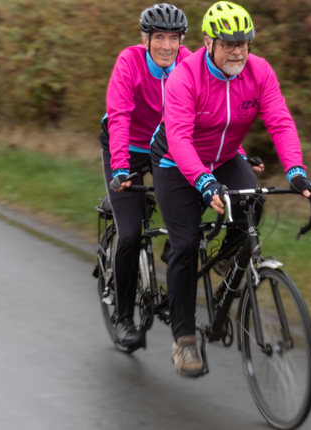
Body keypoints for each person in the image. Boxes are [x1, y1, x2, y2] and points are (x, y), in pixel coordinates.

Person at [150, 1, 311, 377]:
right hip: (176, 161)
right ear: (208, 42)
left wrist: (296, 171)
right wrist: (204, 183)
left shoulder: (259, 72)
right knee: (187, 243)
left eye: (245, 42)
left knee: (252, 204)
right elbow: (178, 137)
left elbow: (280, 122)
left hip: (223, 157)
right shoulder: (185, 77)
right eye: (229, 43)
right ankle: (185, 339)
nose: (238, 51)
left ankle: (227, 265)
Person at [100, 3, 190, 349]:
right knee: (131, 232)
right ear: (145, 38)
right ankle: (123, 318)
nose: (167, 45)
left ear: (182, 40)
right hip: (129, 148)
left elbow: (207, 113)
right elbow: (119, 116)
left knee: (189, 213)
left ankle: (171, 259)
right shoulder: (130, 62)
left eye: (173, 38)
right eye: (159, 38)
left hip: (168, 147)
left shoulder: (189, 63)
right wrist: (121, 168)